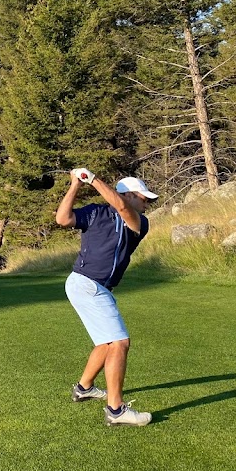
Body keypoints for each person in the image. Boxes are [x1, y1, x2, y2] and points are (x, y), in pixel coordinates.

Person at [55, 167, 158, 427]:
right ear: (128, 195)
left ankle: (84, 387)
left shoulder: (139, 221)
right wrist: (76, 185)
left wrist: (93, 180)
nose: (146, 204)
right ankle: (116, 410)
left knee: (106, 343)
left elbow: (124, 211)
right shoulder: (96, 211)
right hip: (86, 283)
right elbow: (63, 220)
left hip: (96, 287)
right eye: (143, 198)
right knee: (120, 343)